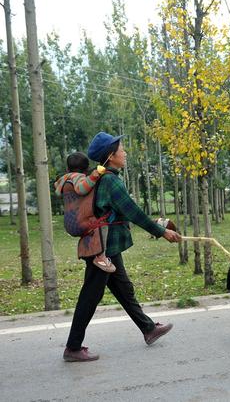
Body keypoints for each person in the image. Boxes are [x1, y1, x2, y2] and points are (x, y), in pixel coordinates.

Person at [63, 132, 182, 362]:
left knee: (124, 289)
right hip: (101, 248)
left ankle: (148, 329)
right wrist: (162, 231)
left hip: (108, 245)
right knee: (90, 296)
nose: (125, 153)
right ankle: (72, 347)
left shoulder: (105, 178)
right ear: (111, 156)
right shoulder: (109, 180)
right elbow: (133, 211)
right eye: (121, 150)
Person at [54, 152, 116, 273]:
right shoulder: (77, 177)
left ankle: (88, 249)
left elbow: (58, 191)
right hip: (80, 221)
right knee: (102, 224)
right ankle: (100, 257)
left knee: (93, 227)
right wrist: (93, 177)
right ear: (86, 169)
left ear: (67, 168)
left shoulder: (64, 179)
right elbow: (81, 189)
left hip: (69, 222)